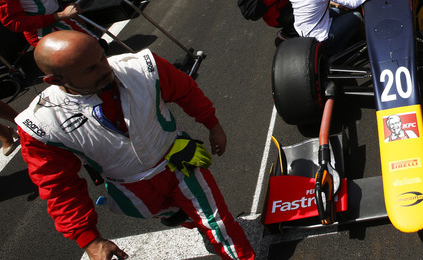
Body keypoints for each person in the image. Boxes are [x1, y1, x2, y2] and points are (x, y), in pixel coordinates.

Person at [16, 30, 255, 260]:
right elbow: (59, 187)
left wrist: (213, 125)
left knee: (219, 225)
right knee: (185, 217)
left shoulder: (143, 66)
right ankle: (193, 221)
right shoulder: (41, 124)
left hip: (179, 164)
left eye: (101, 56)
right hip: (133, 193)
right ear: (55, 80)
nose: (105, 68)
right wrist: (89, 239)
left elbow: (186, 92)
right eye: (91, 68)